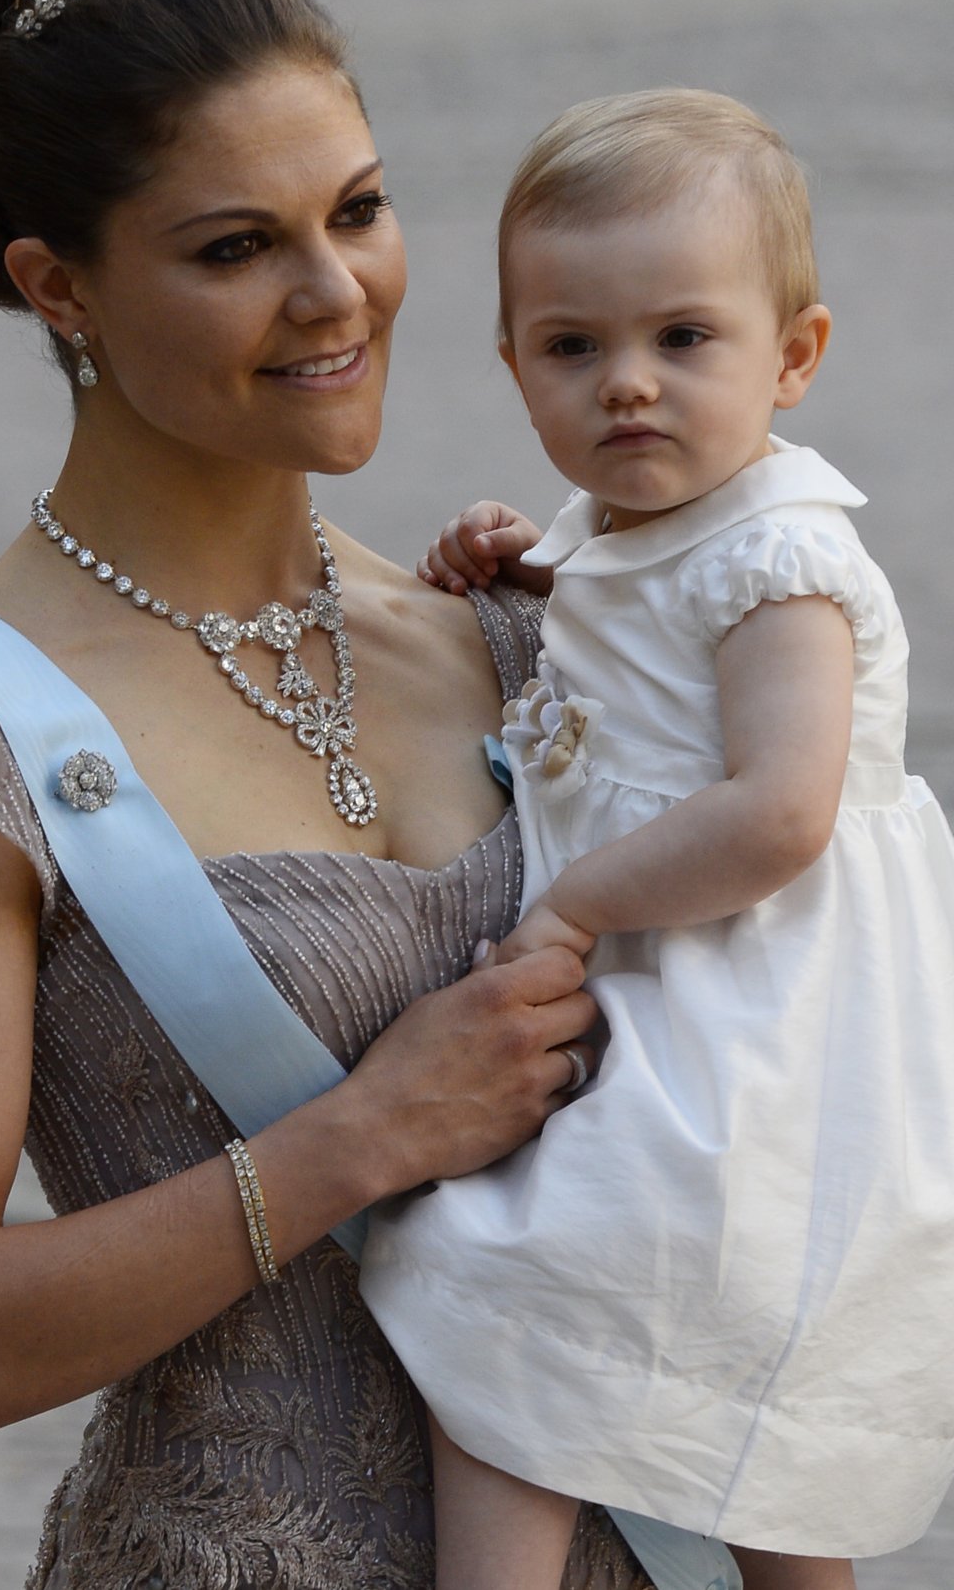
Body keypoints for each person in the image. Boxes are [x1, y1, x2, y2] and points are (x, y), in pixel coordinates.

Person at [0, 0, 739, 1590]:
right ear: (55, 287)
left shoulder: (524, 634)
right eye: (236, 248)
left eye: (360, 210)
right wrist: (356, 1142)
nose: (338, 297)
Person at [359, 88, 954, 1590]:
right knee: (744, 1432)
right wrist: (507, 562)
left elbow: (781, 810)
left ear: (793, 357)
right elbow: (618, 652)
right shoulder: (621, 527)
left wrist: (576, 909)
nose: (628, 386)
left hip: (759, 1041)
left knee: (511, 1296)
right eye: (574, 348)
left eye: (683, 340)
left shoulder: (783, 560)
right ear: (514, 366)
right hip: (697, 1023)